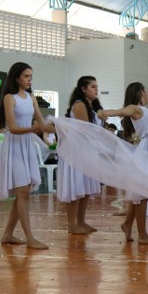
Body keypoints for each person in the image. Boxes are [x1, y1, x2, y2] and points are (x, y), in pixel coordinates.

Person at [0, 62, 54, 250]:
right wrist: (33, 129)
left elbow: (42, 124)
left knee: (24, 192)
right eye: (26, 76)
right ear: (16, 78)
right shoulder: (9, 98)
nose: (29, 80)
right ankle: (29, 237)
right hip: (14, 145)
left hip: (27, 145)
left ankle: (7, 234)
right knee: (22, 192)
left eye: (31, 76)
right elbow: (12, 127)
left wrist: (63, 128)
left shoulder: (31, 98)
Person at [102, 82, 148, 245]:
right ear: (140, 93)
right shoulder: (135, 109)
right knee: (142, 193)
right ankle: (142, 234)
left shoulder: (145, 111)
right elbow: (120, 111)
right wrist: (104, 112)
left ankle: (127, 224)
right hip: (147, 152)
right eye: (146, 91)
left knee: (139, 192)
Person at [57, 76, 103, 234]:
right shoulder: (79, 105)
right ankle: (72, 224)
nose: (96, 89)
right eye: (93, 86)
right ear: (83, 89)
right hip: (76, 151)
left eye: (97, 86)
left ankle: (81, 221)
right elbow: (86, 129)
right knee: (75, 187)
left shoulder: (92, 106)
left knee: (85, 188)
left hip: (86, 150)